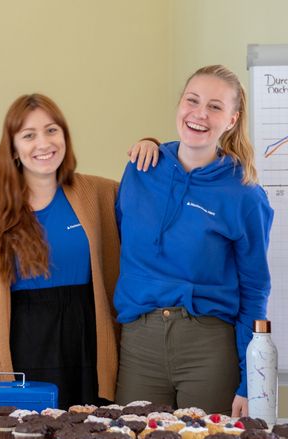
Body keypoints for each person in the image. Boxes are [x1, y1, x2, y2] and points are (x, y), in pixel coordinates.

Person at [0, 94, 158, 409]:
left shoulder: (99, 193)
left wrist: (152, 145)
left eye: (52, 130)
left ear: (64, 135)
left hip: (87, 344)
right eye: (28, 135)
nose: (43, 143)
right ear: (14, 148)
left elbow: (153, 193)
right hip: (22, 350)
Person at [114, 65, 274, 416]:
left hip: (208, 346)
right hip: (140, 342)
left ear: (231, 120)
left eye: (215, 107)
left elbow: (255, 290)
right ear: (179, 106)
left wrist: (251, 382)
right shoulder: (140, 170)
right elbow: (120, 242)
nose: (200, 114)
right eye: (193, 100)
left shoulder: (244, 195)